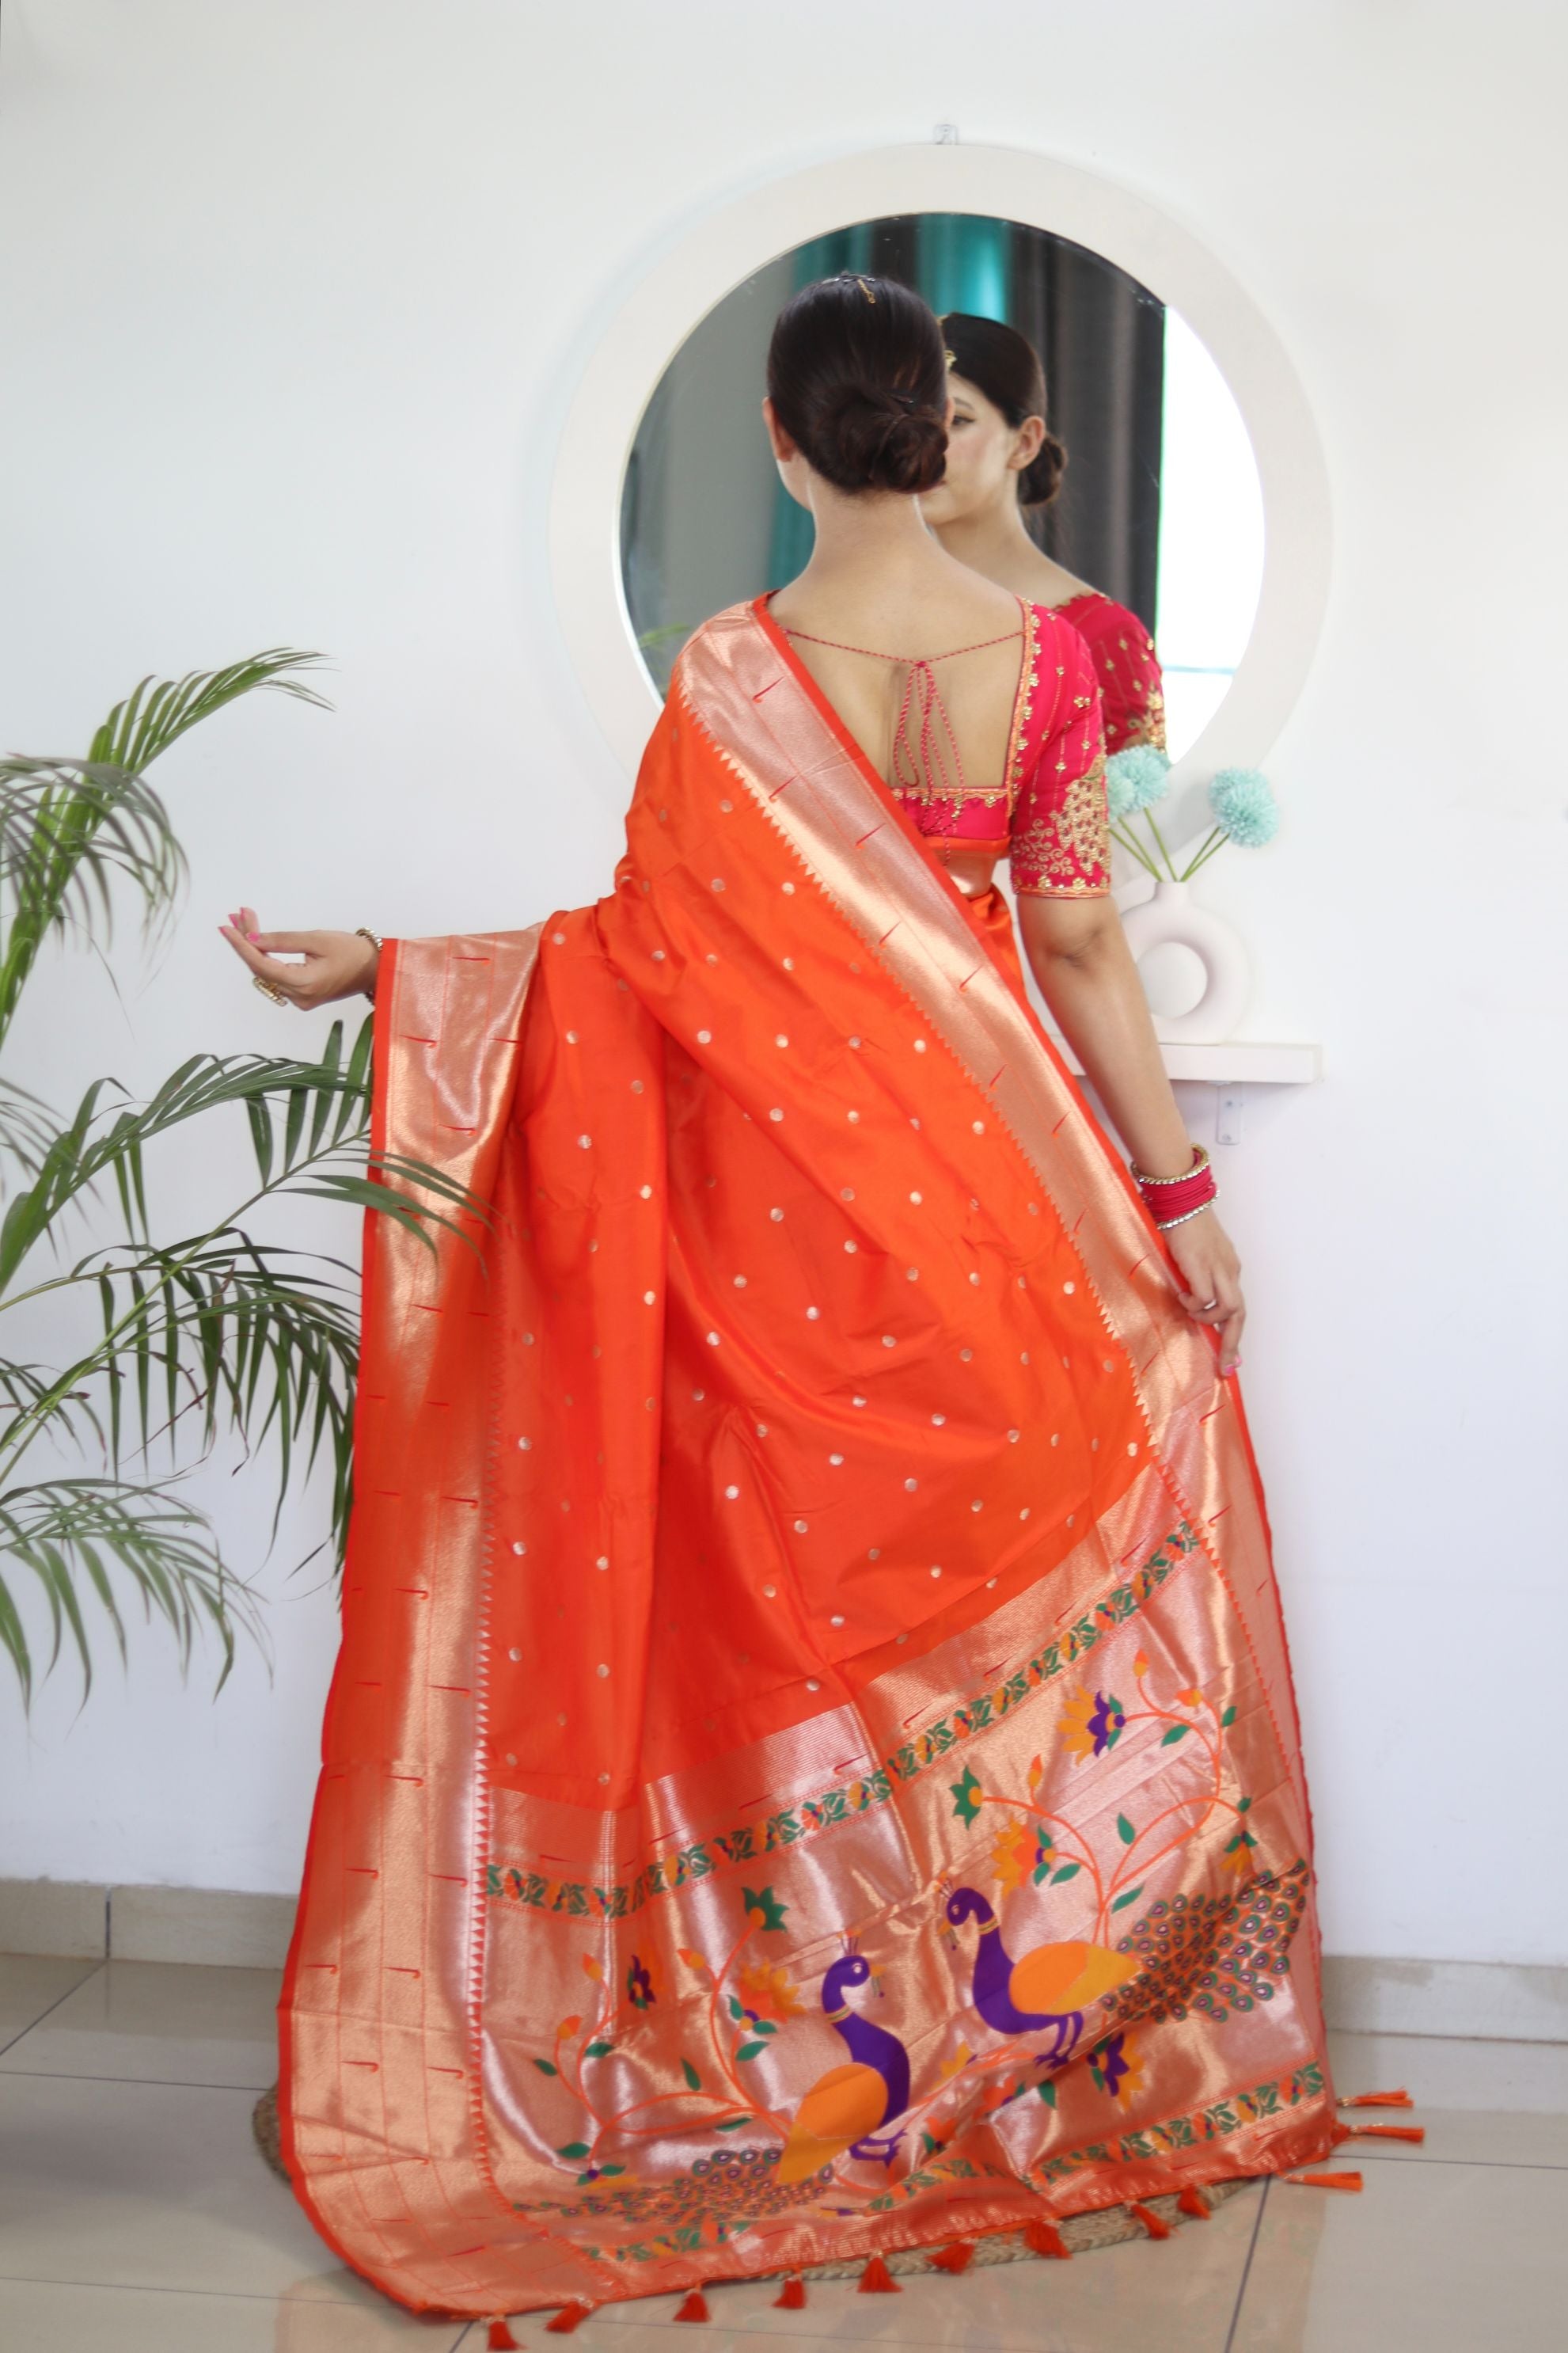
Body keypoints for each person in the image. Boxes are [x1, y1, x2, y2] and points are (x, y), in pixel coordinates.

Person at [221, 276, 1334, 2327]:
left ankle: (819, 2056)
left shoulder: (727, 669)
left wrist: (384, 970)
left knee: (809, 1641)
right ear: (940, 424)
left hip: (781, 1249)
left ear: (777, 438)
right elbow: (1075, 943)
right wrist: (1171, 1201)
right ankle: (1002, 2046)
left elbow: (632, 960)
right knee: (992, 1638)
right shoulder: (1050, 662)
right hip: (1004, 1217)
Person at [919, 311, 1167, 755]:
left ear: (1025, 442)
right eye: (911, 420)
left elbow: (1132, 822)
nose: (925, 444)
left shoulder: (1104, 639)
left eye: (958, 421)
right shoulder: (877, 617)